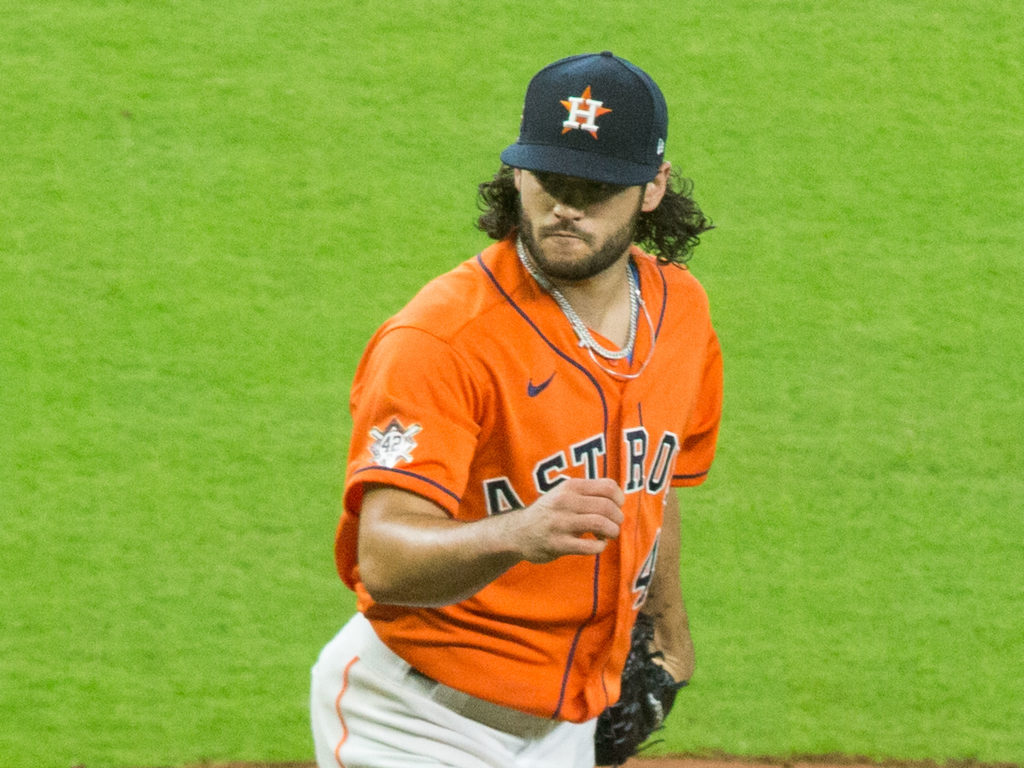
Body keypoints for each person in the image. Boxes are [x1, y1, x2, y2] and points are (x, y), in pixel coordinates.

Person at [310, 51, 722, 768]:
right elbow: (383, 559)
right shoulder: (441, 339)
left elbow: (657, 486)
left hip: (564, 730)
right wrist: (516, 533)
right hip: (411, 721)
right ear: (518, 176)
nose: (567, 206)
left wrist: (666, 636)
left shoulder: (679, 312)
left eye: (595, 188)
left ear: (652, 188)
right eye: (550, 179)